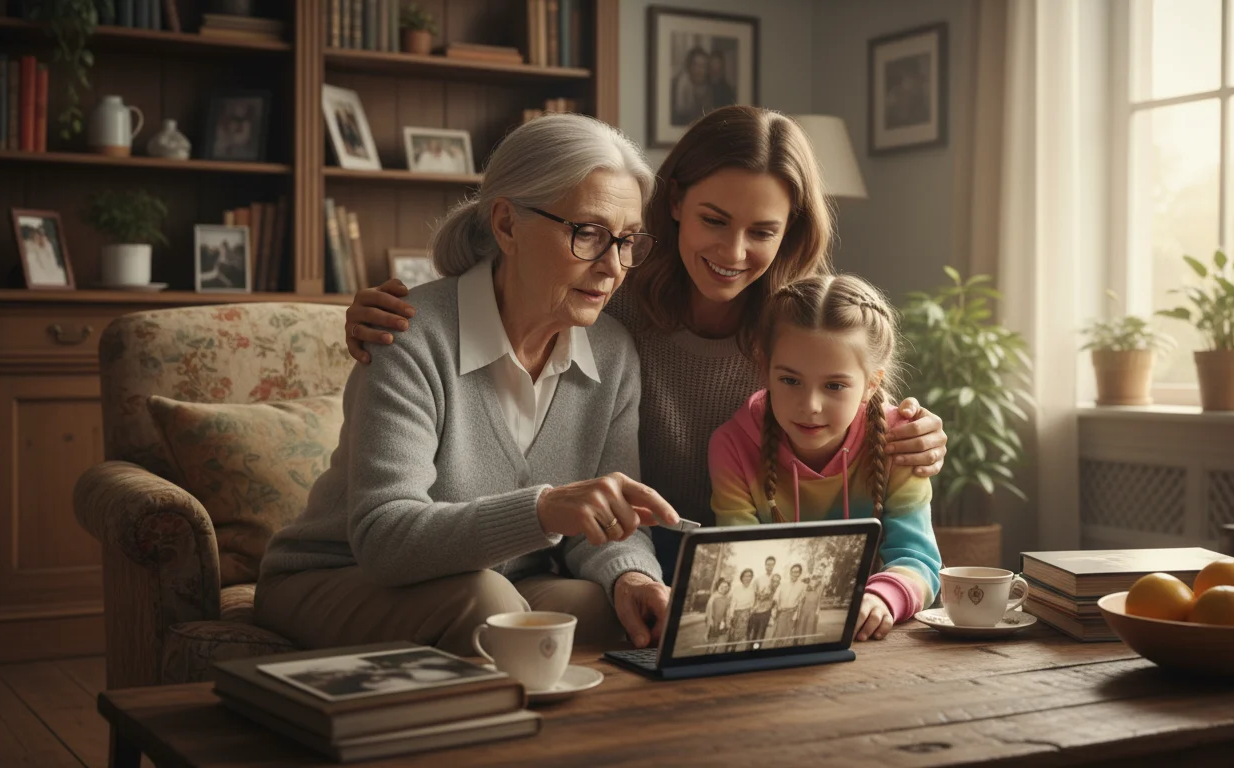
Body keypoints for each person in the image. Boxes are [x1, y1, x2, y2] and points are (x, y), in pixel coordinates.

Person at [339, 106, 948, 583]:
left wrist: (912, 433)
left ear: (790, 231)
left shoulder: (793, 329)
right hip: (620, 552)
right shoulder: (608, 303)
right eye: (714, 220)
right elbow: (512, 280)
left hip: (716, 569)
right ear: (675, 203)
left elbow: (858, 410)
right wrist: (404, 314)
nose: (734, 254)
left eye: (762, 231)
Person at [254, 114, 683, 657]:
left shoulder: (613, 352)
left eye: (627, 241)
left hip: (501, 582)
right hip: (337, 576)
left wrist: (633, 579)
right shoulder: (408, 333)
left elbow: (609, 523)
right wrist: (543, 509)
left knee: (605, 607)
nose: (613, 267)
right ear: (506, 224)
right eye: (588, 234)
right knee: (485, 603)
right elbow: (385, 540)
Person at [708, 274, 944, 642]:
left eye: (834, 386)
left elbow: (920, 560)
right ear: (765, 368)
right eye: (790, 380)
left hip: (868, 639)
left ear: (871, 383)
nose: (810, 406)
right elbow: (744, 561)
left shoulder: (901, 439)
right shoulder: (732, 446)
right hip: (773, 634)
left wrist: (882, 598)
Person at [671, 46, 710, 127]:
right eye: (696, 65)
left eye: (703, 66)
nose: (699, 70)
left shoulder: (709, 89)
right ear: (689, 66)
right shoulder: (679, 86)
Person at [770, 563, 806, 647]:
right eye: (793, 571)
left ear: (800, 573)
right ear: (790, 572)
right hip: (782, 613)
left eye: (797, 572)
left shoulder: (802, 586)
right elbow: (775, 597)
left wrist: (796, 615)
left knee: (788, 637)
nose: (795, 574)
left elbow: (801, 602)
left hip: (792, 614)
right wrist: (777, 607)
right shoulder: (783, 584)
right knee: (779, 635)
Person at [748, 559, 778, 643]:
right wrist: (759, 595)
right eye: (768, 564)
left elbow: (777, 596)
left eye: (772, 565)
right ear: (765, 565)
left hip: (767, 611)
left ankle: (757, 650)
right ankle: (750, 650)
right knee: (754, 632)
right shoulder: (759, 579)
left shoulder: (776, 579)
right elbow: (753, 592)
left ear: (774, 566)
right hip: (757, 610)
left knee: (761, 633)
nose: (769, 567)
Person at [727, 568, 756, 652]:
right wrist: (731, 615)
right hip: (736, 613)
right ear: (742, 577)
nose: (747, 578)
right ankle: (730, 649)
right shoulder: (737, 588)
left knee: (742, 635)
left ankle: (736, 650)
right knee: (732, 634)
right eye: (745, 576)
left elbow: (752, 603)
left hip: (746, 614)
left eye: (749, 576)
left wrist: (750, 612)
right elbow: (733, 602)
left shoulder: (752, 589)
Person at [704, 578, 732, 654]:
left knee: (719, 645)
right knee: (711, 644)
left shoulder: (727, 599)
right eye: (722, 586)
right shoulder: (713, 597)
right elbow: (708, 612)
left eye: (726, 587)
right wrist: (710, 624)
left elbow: (727, 612)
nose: (724, 588)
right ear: (718, 586)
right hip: (713, 624)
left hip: (722, 624)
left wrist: (726, 623)